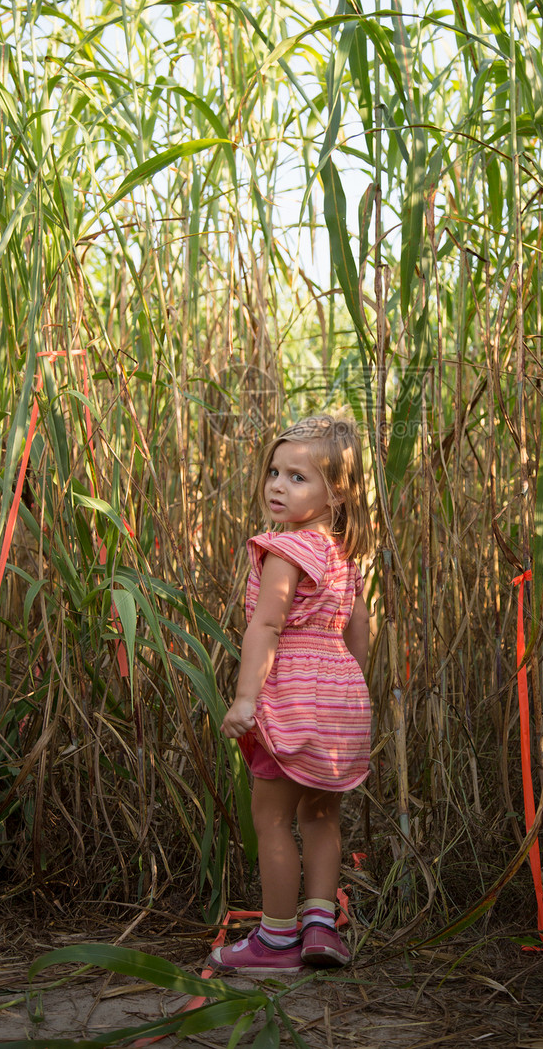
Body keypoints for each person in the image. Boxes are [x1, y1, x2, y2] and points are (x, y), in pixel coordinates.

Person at [208, 414, 372, 976]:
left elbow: (267, 626)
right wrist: (352, 694)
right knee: (322, 816)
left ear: (338, 491)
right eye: (274, 472)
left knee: (272, 817)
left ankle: (276, 939)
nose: (277, 485)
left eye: (297, 477)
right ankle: (320, 925)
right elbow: (358, 631)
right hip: (341, 695)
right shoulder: (343, 554)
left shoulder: (286, 548)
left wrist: (246, 697)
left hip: (292, 691)